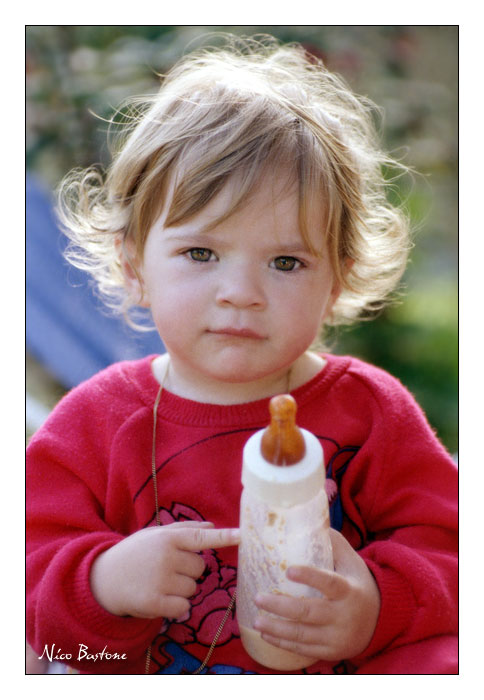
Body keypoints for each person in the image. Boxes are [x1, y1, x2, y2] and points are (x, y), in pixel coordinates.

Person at [26, 35, 457, 675]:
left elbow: (450, 551)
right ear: (134, 264)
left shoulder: (369, 413)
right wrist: (104, 580)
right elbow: (32, 589)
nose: (241, 294)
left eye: (286, 262)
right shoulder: (94, 423)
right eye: (201, 254)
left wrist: (375, 605)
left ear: (336, 279)